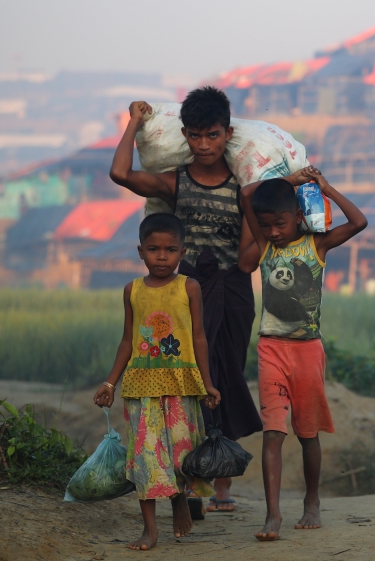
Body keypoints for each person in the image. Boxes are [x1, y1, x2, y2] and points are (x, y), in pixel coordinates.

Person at [109, 87, 262, 512]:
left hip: (231, 293)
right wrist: (135, 122)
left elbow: (250, 257)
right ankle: (191, 481)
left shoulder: (243, 189)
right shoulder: (176, 182)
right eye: (194, 136)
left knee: (225, 376)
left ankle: (222, 481)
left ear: (228, 134)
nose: (204, 145)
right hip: (183, 294)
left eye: (212, 135)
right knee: (188, 379)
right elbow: (121, 174)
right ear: (185, 135)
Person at [239, 167, 367, 541]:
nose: (273, 232)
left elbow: (359, 221)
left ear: (298, 217)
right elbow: (247, 195)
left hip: (308, 351)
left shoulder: (316, 245)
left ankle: (312, 500)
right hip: (270, 349)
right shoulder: (264, 247)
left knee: (307, 434)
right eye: (266, 226)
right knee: (273, 433)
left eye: (279, 224)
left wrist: (324, 188)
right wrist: (289, 182)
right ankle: (273, 515)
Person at [93, 213, 222, 551]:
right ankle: (149, 529)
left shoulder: (188, 287)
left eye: (170, 249)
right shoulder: (132, 290)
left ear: (182, 252)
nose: (161, 256)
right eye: (153, 249)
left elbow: (199, 337)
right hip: (140, 386)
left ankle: (179, 500)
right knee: (146, 456)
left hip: (181, 384)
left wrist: (207, 383)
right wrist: (110, 383)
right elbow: (127, 341)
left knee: (181, 454)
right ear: (140, 251)